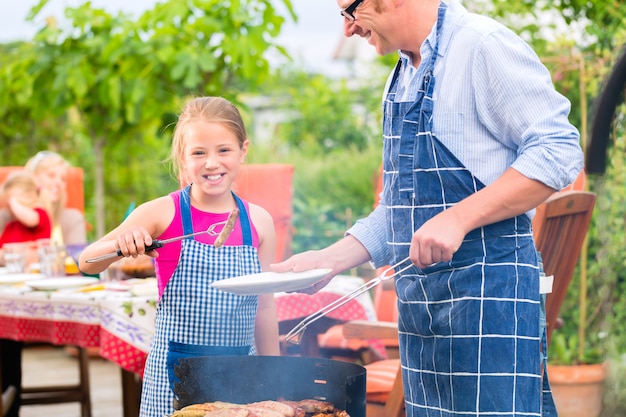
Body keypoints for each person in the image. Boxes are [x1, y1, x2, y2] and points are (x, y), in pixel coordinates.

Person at [271, 1, 584, 416]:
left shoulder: (481, 46)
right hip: (423, 324)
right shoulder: (401, 78)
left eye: (348, 11)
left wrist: (459, 217)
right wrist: (328, 261)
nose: (346, 30)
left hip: (488, 312)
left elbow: (558, 150)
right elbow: (401, 208)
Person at [78, 96, 280, 417]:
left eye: (223, 150)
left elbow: (265, 308)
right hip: (172, 382)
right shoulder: (163, 212)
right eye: (198, 153)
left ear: (243, 150)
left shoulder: (259, 221)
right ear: (183, 159)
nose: (211, 163)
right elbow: (86, 262)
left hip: (244, 378)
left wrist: (275, 379)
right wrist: (123, 243)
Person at [0, 171, 53, 417]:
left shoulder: (39, 215)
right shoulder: (9, 224)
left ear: (32, 196)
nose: (12, 207)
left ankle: (10, 397)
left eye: (16, 200)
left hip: (34, 285)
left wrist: (13, 202)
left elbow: (30, 220)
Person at [24, 150, 87, 246]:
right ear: (32, 179)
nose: (58, 183)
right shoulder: (8, 216)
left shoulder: (72, 219)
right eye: (51, 175)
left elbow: (78, 257)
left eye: (63, 179)